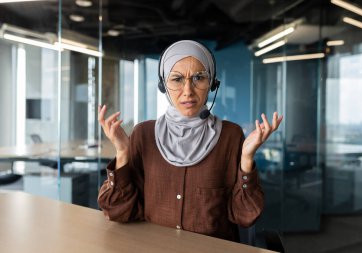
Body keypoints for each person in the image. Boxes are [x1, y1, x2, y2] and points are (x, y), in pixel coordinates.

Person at [97, 40, 283, 242]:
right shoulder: (143, 134)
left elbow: (244, 215)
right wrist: (123, 152)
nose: (188, 90)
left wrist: (247, 158)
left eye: (198, 78)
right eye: (177, 79)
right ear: (163, 85)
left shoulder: (231, 135)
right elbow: (117, 211)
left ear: (212, 83)